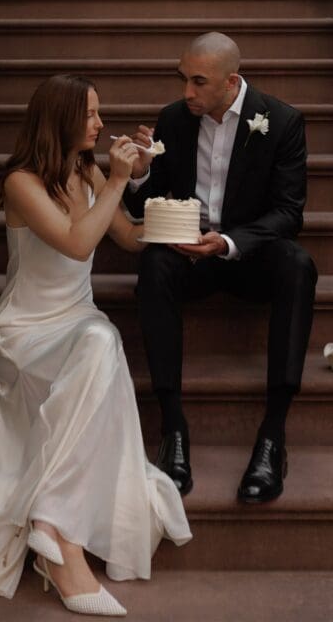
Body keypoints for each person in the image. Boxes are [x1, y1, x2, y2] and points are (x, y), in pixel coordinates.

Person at [0, 74, 191, 615]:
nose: (100, 123)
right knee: (102, 342)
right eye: (91, 114)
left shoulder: (86, 170)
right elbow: (77, 244)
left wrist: (177, 222)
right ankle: (58, 544)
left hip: (77, 319)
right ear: (62, 119)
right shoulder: (21, 182)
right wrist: (117, 180)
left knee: (100, 339)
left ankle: (50, 524)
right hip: (26, 329)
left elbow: (128, 237)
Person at [124, 32, 317, 503]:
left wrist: (229, 242)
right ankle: (173, 429)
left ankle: (273, 435)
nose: (186, 91)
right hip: (192, 259)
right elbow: (146, 207)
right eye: (183, 79)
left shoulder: (282, 121)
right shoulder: (174, 118)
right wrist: (141, 173)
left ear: (232, 82)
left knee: (299, 264)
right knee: (153, 265)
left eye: (198, 81)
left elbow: (289, 213)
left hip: (246, 256)